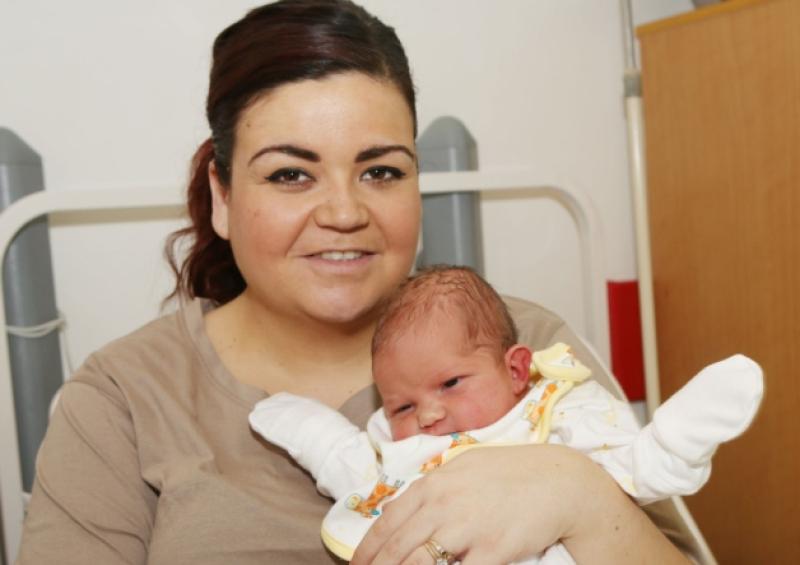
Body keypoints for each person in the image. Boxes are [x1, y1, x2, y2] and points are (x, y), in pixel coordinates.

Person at [17, 1, 700, 563]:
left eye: (381, 171)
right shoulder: (125, 401)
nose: (345, 212)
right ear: (221, 197)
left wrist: (577, 495)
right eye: (291, 173)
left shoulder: (519, 347)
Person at [249, 265, 764, 563]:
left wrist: (668, 449)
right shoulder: (397, 451)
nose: (427, 414)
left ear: (516, 370)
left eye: (451, 384)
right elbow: (345, 460)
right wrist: (303, 425)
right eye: (401, 405)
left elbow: (631, 467)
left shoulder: (555, 415)